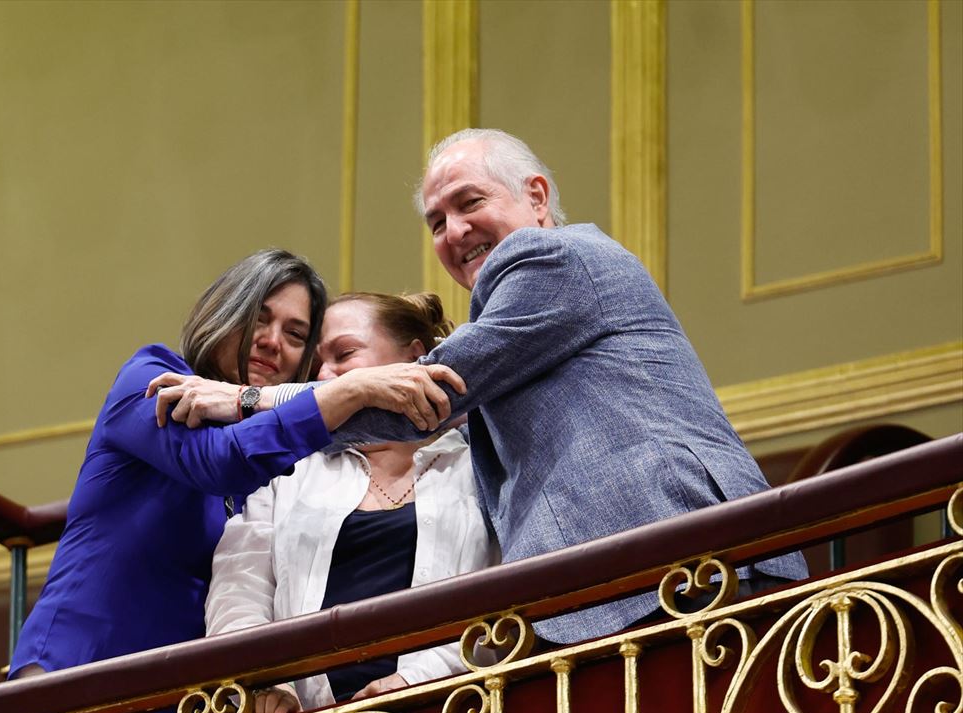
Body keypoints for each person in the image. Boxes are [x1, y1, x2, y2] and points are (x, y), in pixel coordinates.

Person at [151, 130, 807, 648]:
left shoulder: (544, 259)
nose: (455, 232)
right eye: (437, 222)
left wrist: (242, 401)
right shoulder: (523, 317)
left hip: (681, 560)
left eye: (470, 203)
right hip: (635, 588)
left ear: (538, 198)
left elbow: (419, 402)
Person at [9, 249, 464, 713]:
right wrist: (351, 389)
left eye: (296, 336)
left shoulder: (289, 460)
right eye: (260, 317)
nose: (274, 342)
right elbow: (217, 461)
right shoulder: (153, 379)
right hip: (79, 668)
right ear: (224, 312)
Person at [205, 292, 497, 713]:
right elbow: (239, 585)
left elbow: (504, 597)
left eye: (344, 354)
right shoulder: (290, 471)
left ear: (414, 356)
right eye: (317, 366)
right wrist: (263, 681)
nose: (326, 376)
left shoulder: (477, 464)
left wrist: (423, 678)